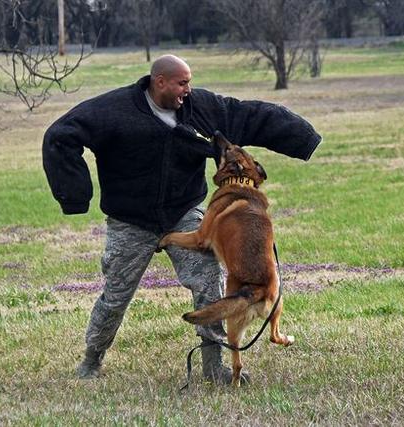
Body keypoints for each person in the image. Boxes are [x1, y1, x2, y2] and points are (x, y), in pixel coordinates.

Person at [42, 54, 321, 384]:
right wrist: (74, 195)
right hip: (130, 220)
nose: (188, 90)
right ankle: (92, 358)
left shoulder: (201, 109)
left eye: (189, 83)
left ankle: (214, 365)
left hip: (183, 213)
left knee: (209, 284)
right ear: (159, 82)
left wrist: (303, 139)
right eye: (182, 83)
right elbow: (61, 135)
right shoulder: (114, 110)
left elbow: (249, 116)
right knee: (115, 297)